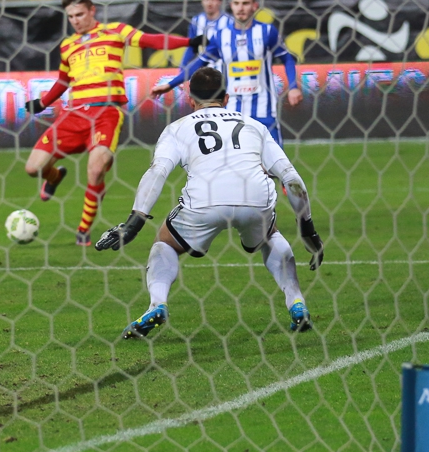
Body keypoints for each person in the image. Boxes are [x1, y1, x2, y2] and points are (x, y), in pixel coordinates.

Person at [95, 67, 324, 338]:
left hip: (205, 201)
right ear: (226, 98)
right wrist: (308, 229)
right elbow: (291, 178)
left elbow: (157, 172)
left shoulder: (177, 128)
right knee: (269, 235)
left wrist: (134, 223)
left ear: (190, 101)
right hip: (255, 198)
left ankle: (157, 304)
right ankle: (296, 302)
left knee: (165, 242)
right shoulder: (254, 125)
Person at [22, 0, 202, 246]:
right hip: (73, 114)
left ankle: (83, 231)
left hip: (105, 112)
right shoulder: (67, 45)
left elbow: (150, 40)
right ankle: (54, 176)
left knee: (96, 170)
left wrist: (189, 42)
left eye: (79, 14)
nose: (75, 20)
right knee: (33, 168)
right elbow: (63, 80)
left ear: (92, 11)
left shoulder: (115, 31)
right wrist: (42, 103)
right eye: (71, 16)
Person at [167, 0, 302, 145]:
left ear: (254, 6)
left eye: (245, 3)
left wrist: (293, 86)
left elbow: (287, 58)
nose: (241, 8)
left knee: (274, 160)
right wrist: (171, 83)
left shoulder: (266, 31)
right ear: (231, 5)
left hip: (264, 110)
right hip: (231, 112)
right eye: (237, 3)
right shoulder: (219, 35)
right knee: (232, 158)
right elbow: (198, 60)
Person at [150, 0, 232, 98]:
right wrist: (182, 72)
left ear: (220, 2)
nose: (210, 3)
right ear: (202, 1)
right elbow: (191, 48)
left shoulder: (229, 22)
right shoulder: (196, 21)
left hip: (225, 71)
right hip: (203, 70)